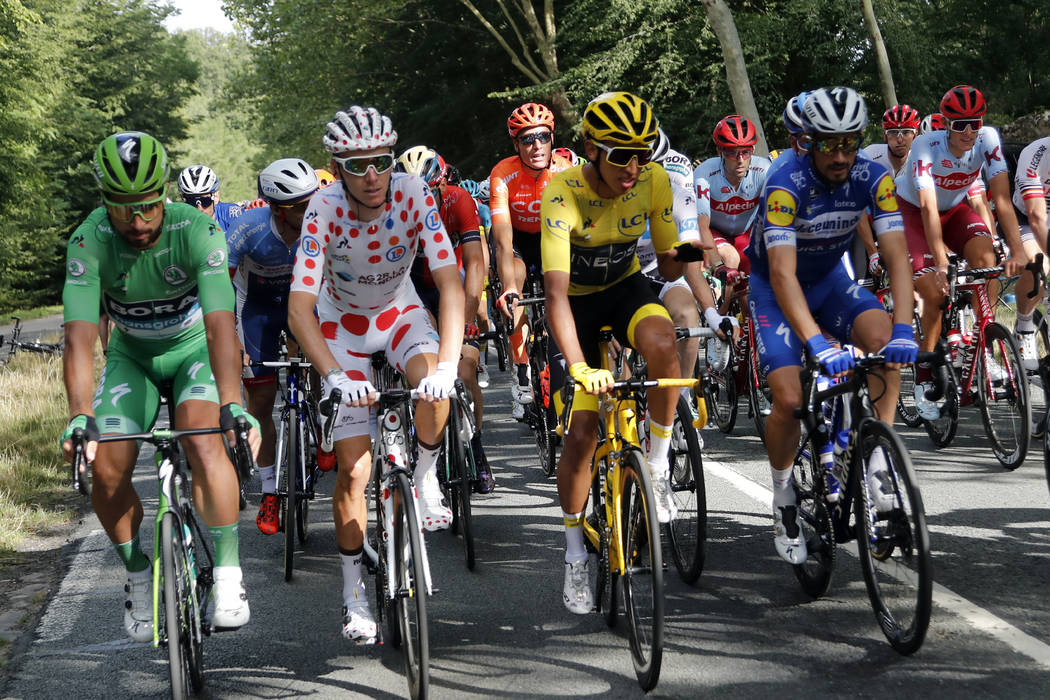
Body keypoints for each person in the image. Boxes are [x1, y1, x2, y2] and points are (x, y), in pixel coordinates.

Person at [61, 131, 261, 642]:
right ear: (104, 201)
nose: (137, 221)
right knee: (106, 468)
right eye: (122, 208)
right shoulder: (89, 241)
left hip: (195, 351)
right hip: (133, 359)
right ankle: (136, 572)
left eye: (148, 206)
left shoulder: (195, 229)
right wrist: (80, 414)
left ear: (164, 194)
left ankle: (229, 576)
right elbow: (79, 339)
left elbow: (220, 325)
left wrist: (233, 404)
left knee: (204, 439)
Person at [287, 106, 465, 643]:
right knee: (355, 470)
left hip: (399, 313)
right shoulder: (323, 207)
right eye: (356, 165)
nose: (371, 176)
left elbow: (449, 283)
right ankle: (353, 597)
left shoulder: (415, 193)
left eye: (381, 162)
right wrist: (334, 377)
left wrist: (449, 365)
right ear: (337, 168)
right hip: (340, 327)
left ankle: (426, 476)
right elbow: (300, 309)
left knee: (434, 388)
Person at [541, 91, 700, 613]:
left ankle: (656, 466)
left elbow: (670, 266)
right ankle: (574, 555)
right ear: (591, 149)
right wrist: (579, 367)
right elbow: (556, 296)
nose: (633, 167)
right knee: (583, 434)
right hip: (576, 306)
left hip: (624, 287)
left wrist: (691, 248)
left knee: (664, 343)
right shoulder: (562, 193)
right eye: (620, 155)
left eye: (642, 154)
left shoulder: (653, 180)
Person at [744, 87, 917, 564]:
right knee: (789, 399)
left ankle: (878, 460)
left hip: (830, 282)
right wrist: (817, 343)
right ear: (809, 142)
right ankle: (783, 495)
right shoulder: (785, 183)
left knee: (883, 344)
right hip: (775, 290)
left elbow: (897, 257)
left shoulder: (874, 177)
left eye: (850, 143)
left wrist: (904, 328)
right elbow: (781, 275)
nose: (840, 156)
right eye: (828, 144)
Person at [895, 85, 1028, 416]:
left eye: (975, 123)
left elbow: (1001, 199)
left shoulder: (988, 139)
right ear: (945, 124)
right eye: (960, 125)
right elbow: (927, 208)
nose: (969, 132)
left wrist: (1017, 250)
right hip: (912, 212)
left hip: (954, 210)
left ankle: (983, 346)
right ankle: (924, 373)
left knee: (987, 260)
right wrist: (941, 263)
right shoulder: (926, 145)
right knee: (934, 292)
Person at [226, 158, 321, 534]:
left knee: (328, 367)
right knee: (261, 402)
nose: (311, 211)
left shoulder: (322, 223)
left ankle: (324, 428)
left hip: (303, 303)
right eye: (302, 206)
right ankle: (269, 492)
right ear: (280, 209)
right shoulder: (247, 228)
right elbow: (219, 288)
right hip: (258, 311)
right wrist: (233, 339)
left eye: (313, 201)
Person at [398, 148, 495, 492]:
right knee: (425, 369)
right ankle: (426, 440)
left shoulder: (459, 200)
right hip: (414, 289)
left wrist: (468, 319)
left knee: (465, 367)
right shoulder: (395, 210)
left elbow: (475, 263)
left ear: (441, 186)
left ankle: (476, 446)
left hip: (451, 282)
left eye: (428, 193)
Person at [489, 103, 574, 420]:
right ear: (516, 145)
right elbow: (502, 239)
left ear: (552, 139)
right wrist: (510, 287)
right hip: (517, 242)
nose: (536, 145)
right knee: (516, 281)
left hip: (551, 239)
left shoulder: (565, 170)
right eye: (527, 139)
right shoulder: (503, 173)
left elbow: (577, 229)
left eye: (543, 137)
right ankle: (522, 366)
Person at [641, 128, 732, 401]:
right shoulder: (610, 196)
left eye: (656, 167)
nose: (648, 176)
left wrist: (712, 314)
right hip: (620, 276)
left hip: (660, 272)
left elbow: (691, 267)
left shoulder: (681, 196)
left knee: (688, 315)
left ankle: (682, 396)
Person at [693, 115, 772, 275]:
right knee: (730, 259)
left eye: (746, 152)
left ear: (753, 150)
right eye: (732, 153)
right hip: (713, 231)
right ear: (720, 151)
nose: (740, 159)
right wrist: (719, 266)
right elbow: (702, 225)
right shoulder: (705, 173)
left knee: (753, 279)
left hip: (744, 234)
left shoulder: (764, 169)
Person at [1011, 134, 1050, 368]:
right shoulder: (1036, 153)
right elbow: (1036, 216)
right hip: (1025, 216)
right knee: (1039, 264)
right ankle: (1024, 326)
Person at [177, 164, 244, 232]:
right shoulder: (176, 222)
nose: (199, 208)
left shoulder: (231, 215)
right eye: (191, 201)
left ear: (216, 197)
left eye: (205, 201)